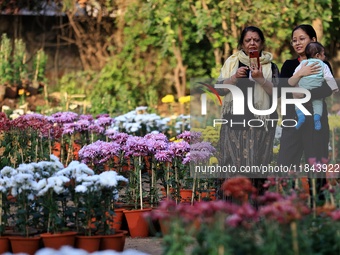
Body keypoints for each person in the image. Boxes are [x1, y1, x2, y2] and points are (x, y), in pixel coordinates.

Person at [216, 26, 280, 195]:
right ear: (242, 44)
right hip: (234, 122)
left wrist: (261, 79)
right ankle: (231, 213)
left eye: (256, 40)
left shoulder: (270, 66)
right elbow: (219, 90)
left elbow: (278, 94)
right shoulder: (232, 62)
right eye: (248, 40)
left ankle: (256, 213)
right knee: (231, 167)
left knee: (257, 169)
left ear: (262, 43)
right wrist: (234, 77)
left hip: (261, 125)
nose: (252, 43)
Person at [277, 24, 334, 200]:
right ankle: (287, 210)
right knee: (284, 168)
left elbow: (327, 89)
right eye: (294, 40)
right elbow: (280, 90)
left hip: (315, 122)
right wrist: (300, 74)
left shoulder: (322, 64)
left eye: (302, 39)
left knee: (316, 170)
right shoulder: (289, 65)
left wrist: (302, 93)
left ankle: (319, 214)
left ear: (313, 40)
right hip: (292, 121)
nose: (297, 43)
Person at [288, 42, 339, 130]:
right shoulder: (324, 65)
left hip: (303, 88)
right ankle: (317, 119)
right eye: (323, 54)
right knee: (318, 103)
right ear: (318, 55)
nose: (325, 57)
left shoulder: (303, 63)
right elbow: (329, 78)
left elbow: (295, 75)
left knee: (297, 101)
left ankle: (300, 116)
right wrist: (334, 88)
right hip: (316, 88)